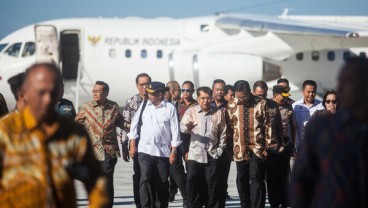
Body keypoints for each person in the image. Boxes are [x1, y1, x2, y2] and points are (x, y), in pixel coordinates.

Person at [0, 63, 108, 207]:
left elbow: (96, 182)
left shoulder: (73, 133)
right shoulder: (6, 131)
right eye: (41, 92)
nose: (47, 99)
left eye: (53, 92)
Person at [291, 57, 368, 207]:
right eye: (340, 83)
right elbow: (301, 183)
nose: (340, 89)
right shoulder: (322, 129)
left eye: (348, 83)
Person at [128, 81, 181, 208]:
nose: (149, 96)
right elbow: (134, 126)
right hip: (144, 151)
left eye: (152, 94)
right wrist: (132, 145)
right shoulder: (144, 105)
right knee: (145, 179)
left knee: (162, 181)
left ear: (160, 94)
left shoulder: (170, 109)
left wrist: (173, 152)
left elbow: (175, 132)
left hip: (162, 153)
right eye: (149, 93)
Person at [227, 80, 277, 208]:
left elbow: (268, 126)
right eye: (238, 97)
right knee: (242, 179)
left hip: (257, 147)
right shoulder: (231, 104)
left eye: (243, 96)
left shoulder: (261, 103)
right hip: (239, 147)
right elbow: (229, 127)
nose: (240, 99)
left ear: (249, 93)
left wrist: (267, 146)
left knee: (256, 179)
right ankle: (245, 204)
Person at [75, 80, 125, 208]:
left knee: (106, 178)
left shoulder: (113, 107)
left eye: (98, 91)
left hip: (109, 150)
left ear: (106, 93)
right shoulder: (87, 107)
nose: (95, 93)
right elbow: (76, 125)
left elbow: (120, 122)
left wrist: (131, 126)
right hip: (92, 151)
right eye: (94, 91)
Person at [181, 86, 227, 208]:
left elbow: (223, 133)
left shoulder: (218, 112)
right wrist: (188, 128)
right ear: (197, 98)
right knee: (191, 181)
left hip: (212, 154)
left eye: (208, 98)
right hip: (195, 154)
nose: (205, 101)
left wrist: (220, 149)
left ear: (212, 98)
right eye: (202, 98)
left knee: (212, 185)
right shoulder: (191, 111)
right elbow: (182, 127)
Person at [253, 81, 285, 208]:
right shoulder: (250, 105)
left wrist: (281, 143)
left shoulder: (272, 104)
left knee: (273, 180)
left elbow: (278, 125)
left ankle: (274, 204)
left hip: (272, 148)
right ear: (254, 92)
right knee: (257, 180)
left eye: (264, 94)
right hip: (256, 148)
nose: (262, 97)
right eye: (259, 95)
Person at [121, 73, 151, 208]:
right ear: (137, 86)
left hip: (154, 144)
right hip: (137, 144)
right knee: (140, 174)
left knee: (154, 175)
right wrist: (124, 146)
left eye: (147, 84)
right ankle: (140, 202)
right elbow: (125, 125)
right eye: (141, 85)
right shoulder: (131, 102)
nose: (145, 87)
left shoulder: (156, 100)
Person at [268, 85, 296, 208]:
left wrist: (293, 144)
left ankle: (285, 201)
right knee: (272, 176)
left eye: (286, 96)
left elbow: (292, 126)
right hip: (272, 145)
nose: (285, 99)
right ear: (275, 95)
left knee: (285, 175)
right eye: (282, 96)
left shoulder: (289, 107)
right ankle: (274, 202)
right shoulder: (267, 107)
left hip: (286, 144)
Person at [166, 80, 188, 207]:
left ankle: (186, 197)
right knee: (176, 172)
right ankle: (186, 196)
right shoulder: (167, 106)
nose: (180, 93)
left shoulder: (175, 105)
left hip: (175, 145)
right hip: (168, 145)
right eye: (179, 90)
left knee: (176, 171)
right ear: (172, 91)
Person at [211, 79, 231, 205]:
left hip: (225, 147)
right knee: (211, 179)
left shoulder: (230, 106)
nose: (219, 92)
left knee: (222, 179)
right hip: (210, 147)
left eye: (222, 89)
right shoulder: (207, 104)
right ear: (213, 90)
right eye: (217, 89)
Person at [292, 80, 324, 154]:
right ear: (303, 92)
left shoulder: (321, 106)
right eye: (308, 92)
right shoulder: (295, 106)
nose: (311, 94)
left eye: (313, 92)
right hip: (299, 147)